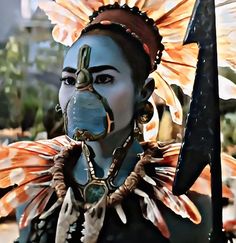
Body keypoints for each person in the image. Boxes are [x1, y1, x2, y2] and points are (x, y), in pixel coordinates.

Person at [0, 0, 236, 243]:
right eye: (69, 80)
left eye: (104, 79)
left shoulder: (183, 199)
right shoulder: (34, 188)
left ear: (143, 91)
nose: (81, 95)